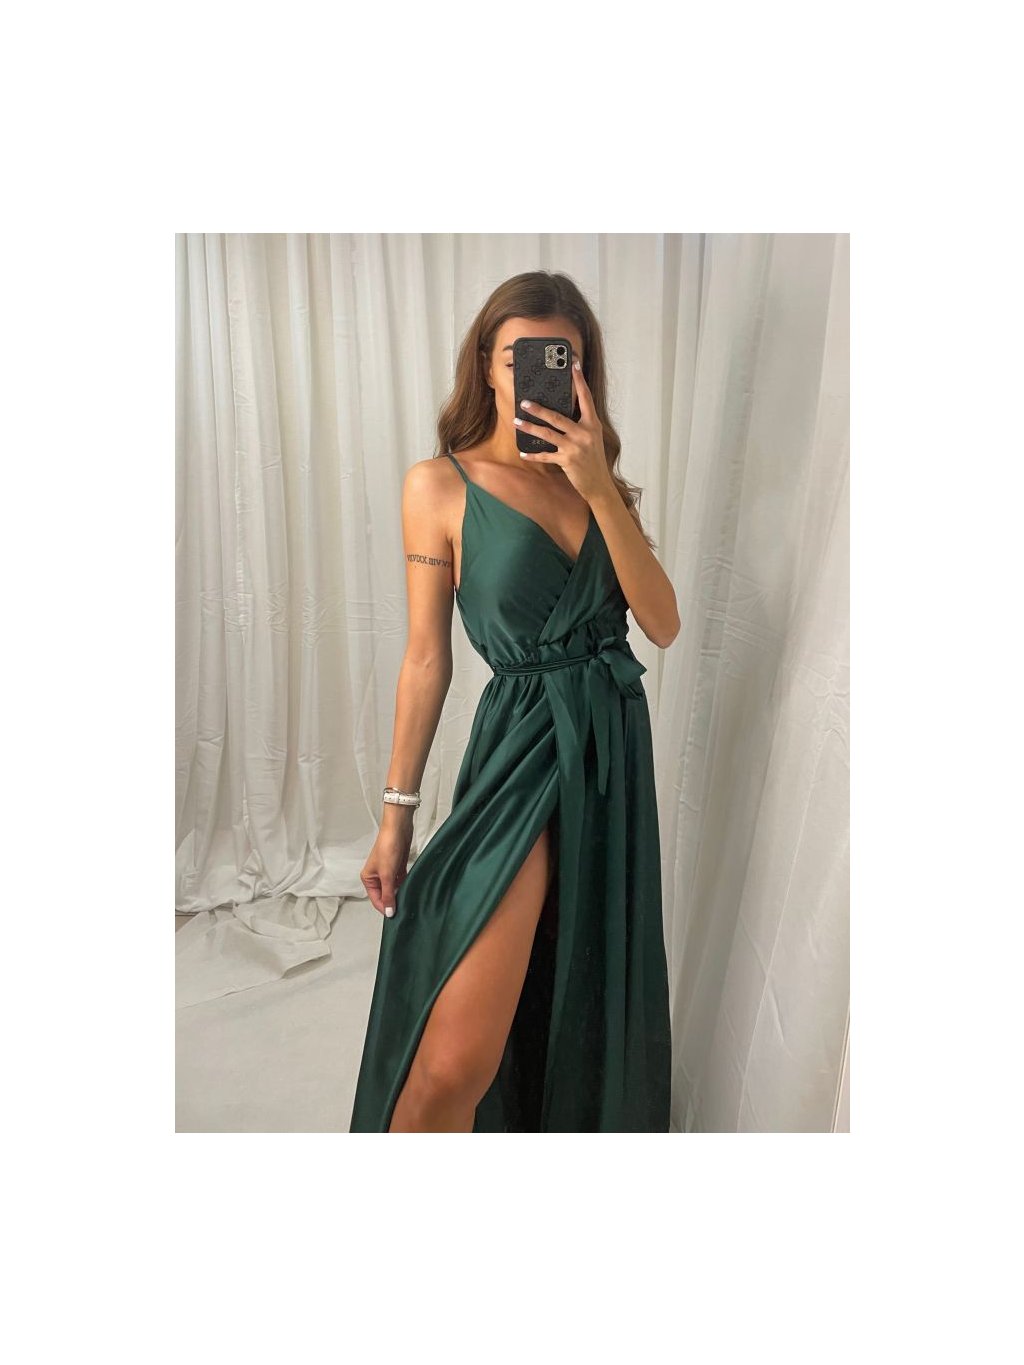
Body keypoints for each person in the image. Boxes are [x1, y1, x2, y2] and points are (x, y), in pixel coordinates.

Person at [349, 269, 679, 1133]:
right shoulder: (439, 485)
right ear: (487, 368)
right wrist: (395, 815)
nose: (535, 376)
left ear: (581, 371)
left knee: (579, 996)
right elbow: (427, 659)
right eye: (516, 358)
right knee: (454, 1059)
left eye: (558, 359)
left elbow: (663, 622)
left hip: (609, 749)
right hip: (522, 752)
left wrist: (597, 483)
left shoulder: (596, 485)